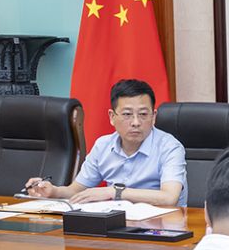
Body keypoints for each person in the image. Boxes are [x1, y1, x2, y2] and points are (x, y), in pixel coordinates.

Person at [25, 77, 186, 206]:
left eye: (143, 114)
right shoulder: (103, 146)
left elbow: (169, 197)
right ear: (112, 117)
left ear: (154, 116)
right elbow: (76, 190)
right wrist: (53, 191)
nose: (136, 122)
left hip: (161, 226)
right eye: (127, 114)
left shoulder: (170, 147)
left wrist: (115, 192)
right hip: (116, 223)